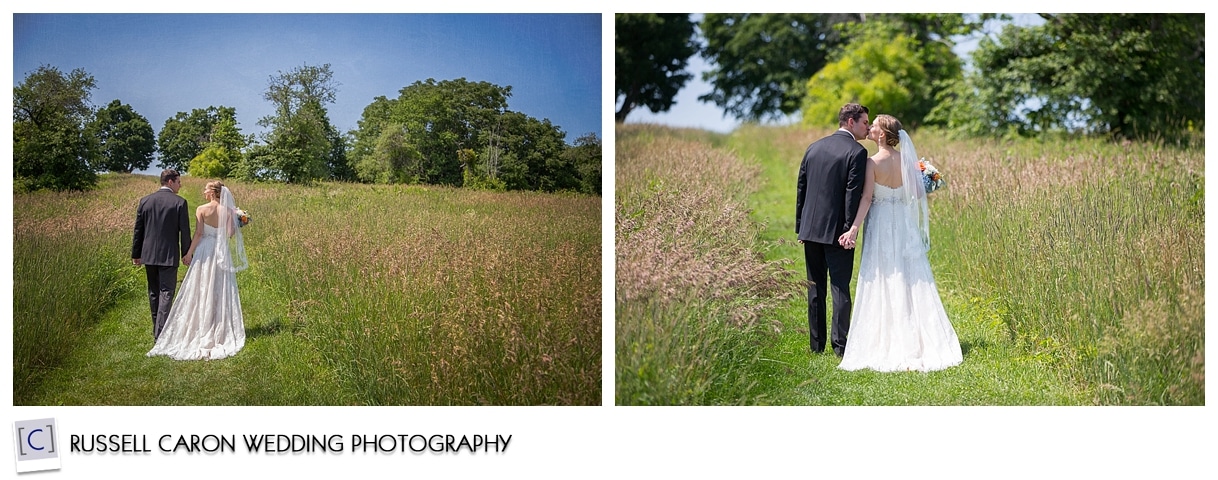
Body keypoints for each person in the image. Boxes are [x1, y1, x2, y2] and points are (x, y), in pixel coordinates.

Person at [836, 114, 963, 372]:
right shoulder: (908, 162)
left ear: (882, 135)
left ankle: (886, 339)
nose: (869, 128)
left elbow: (867, 198)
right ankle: (918, 336)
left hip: (881, 224)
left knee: (882, 273)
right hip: (904, 224)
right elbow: (916, 194)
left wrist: (854, 228)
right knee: (909, 275)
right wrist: (929, 176)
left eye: (874, 126)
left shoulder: (872, 163)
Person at [795, 103, 870, 357]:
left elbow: (801, 189)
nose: (867, 127)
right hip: (838, 232)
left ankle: (816, 346)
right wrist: (850, 230)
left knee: (815, 288)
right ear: (851, 121)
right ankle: (840, 347)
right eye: (864, 123)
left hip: (810, 230)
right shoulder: (857, 152)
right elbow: (852, 195)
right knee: (839, 287)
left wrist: (800, 227)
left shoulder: (813, 147)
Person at [147, 180, 248, 361]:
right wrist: (238, 218)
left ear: (212, 192)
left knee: (201, 286)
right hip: (221, 251)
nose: (203, 192)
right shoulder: (228, 211)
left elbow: (199, 233)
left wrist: (188, 253)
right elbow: (230, 234)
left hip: (205, 250)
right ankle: (218, 324)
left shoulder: (201, 209)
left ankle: (201, 323)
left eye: (206, 189)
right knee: (219, 286)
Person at [132, 169, 192, 340]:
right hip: (168, 255)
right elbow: (184, 231)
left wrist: (136, 254)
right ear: (170, 182)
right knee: (166, 292)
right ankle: (161, 333)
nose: (180, 185)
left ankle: (157, 329)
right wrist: (186, 253)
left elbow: (138, 230)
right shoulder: (179, 202)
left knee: (154, 292)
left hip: (149, 254)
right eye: (179, 182)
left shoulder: (145, 201)